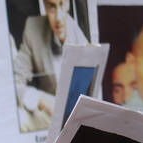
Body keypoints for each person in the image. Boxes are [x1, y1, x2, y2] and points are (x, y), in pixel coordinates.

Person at [13, 0, 88, 133]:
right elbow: (13, 83)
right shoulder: (32, 28)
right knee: (19, 118)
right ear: (44, 6)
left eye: (62, 4)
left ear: (69, 4)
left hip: (78, 121)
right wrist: (40, 98)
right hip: (48, 118)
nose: (58, 18)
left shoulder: (81, 38)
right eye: (51, 7)